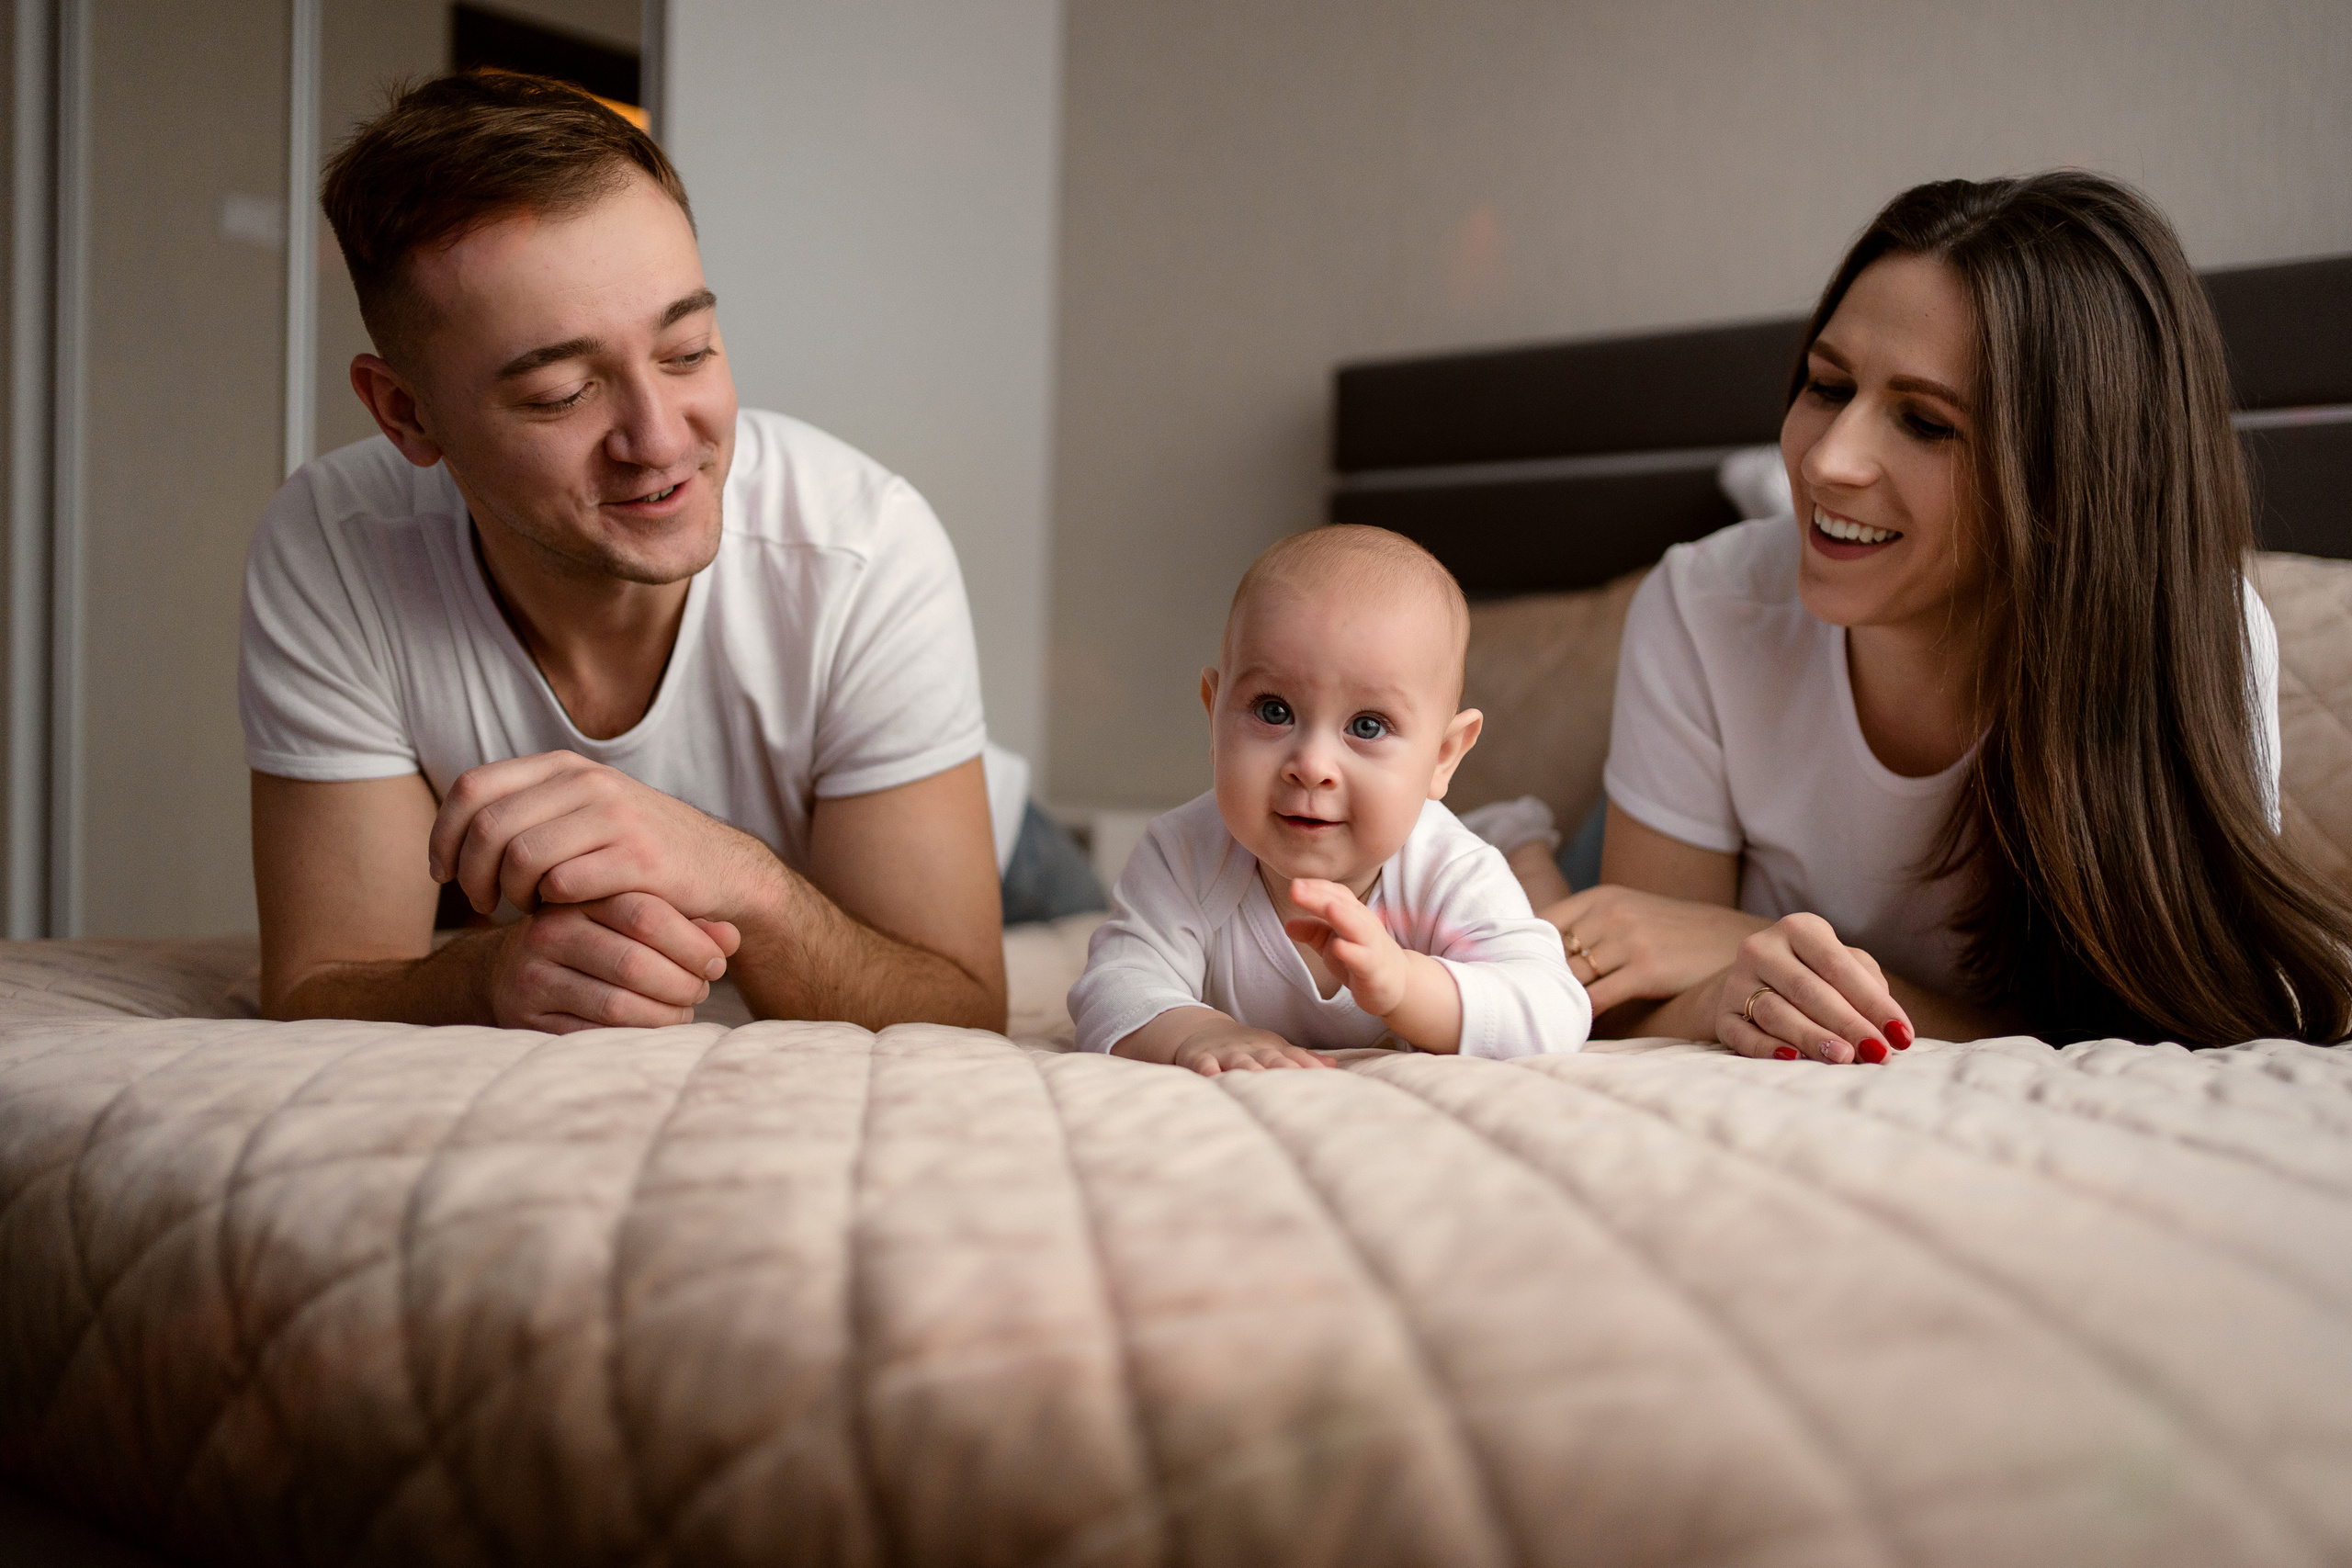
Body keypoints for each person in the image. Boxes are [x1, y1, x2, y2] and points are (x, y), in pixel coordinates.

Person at [1509, 172, 2352, 1058]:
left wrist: (1745, 950)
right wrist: (1718, 975)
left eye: (1925, 422)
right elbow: (1631, 993)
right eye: (1828, 386)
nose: (1828, 461)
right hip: (1620, 846)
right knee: (1488, 925)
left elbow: (2174, 1030)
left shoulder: (2197, 641)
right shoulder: (1701, 605)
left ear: (2070, 476)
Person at [241, 73, 1007, 1033]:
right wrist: (481, 978)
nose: (658, 438)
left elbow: (963, 1006)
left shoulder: (861, 545)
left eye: (687, 351)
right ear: (406, 413)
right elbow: (321, 983)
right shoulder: (334, 549)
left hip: (964, 849)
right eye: (564, 393)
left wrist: (733, 875)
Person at [1069, 527, 1591, 1074]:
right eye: (1273, 711)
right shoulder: (1182, 854)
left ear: (1442, 757)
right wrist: (1198, 1031)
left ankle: (1516, 835)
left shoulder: (1451, 871)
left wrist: (1405, 986)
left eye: (1368, 725)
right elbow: (1114, 988)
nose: (1313, 766)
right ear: (1214, 715)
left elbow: (1554, 1009)